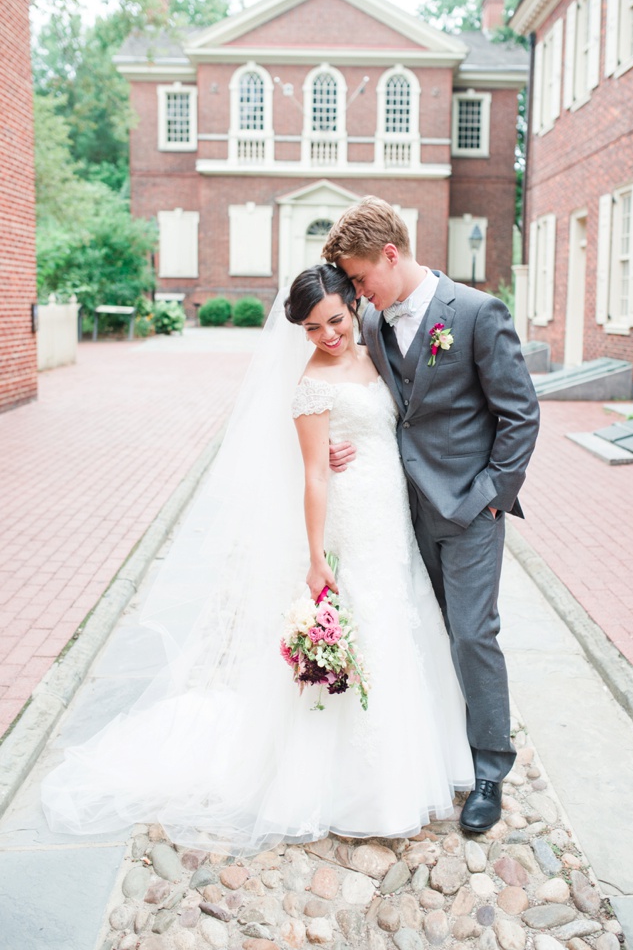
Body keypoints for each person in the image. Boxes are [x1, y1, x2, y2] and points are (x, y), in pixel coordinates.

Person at [42, 264, 473, 850]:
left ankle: (416, 760)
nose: (327, 335)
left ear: (353, 305)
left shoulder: (376, 347)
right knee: (366, 629)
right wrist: (318, 557)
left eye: (336, 320)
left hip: (391, 518)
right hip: (351, 520)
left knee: (402, 627)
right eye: (314, 327)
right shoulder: (311, 385)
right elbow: (315, 474)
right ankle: (360, 789)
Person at [321, 197, 539, 834]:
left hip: (472, 506)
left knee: (473, 633)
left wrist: (493, 493)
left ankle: (492, 768)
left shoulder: (474, 312)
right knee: (424, 629)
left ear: (391, 254)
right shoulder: (373, 325)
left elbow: (520, 413)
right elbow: (364, 396)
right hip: (398, 507)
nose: (358, 292)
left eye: (362, 278)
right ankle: (441, 750)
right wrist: (338, 438)